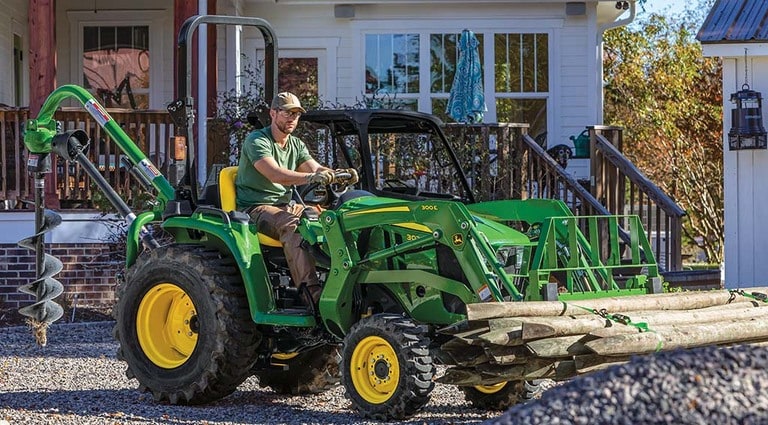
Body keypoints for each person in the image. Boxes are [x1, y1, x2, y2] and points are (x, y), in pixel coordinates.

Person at [235, 92, 358, 306]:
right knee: (294, 226)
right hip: (255, 208)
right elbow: (275, 173)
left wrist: (338, 175)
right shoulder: (257, 140)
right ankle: (311, 295)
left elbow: (315, 168)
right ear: (273, 113)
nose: (292, 118)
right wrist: (312, 177)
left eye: (297, 114)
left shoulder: (296, 144)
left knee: (331, 219)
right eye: (287, 112)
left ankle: (345, 283)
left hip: (286, 206)